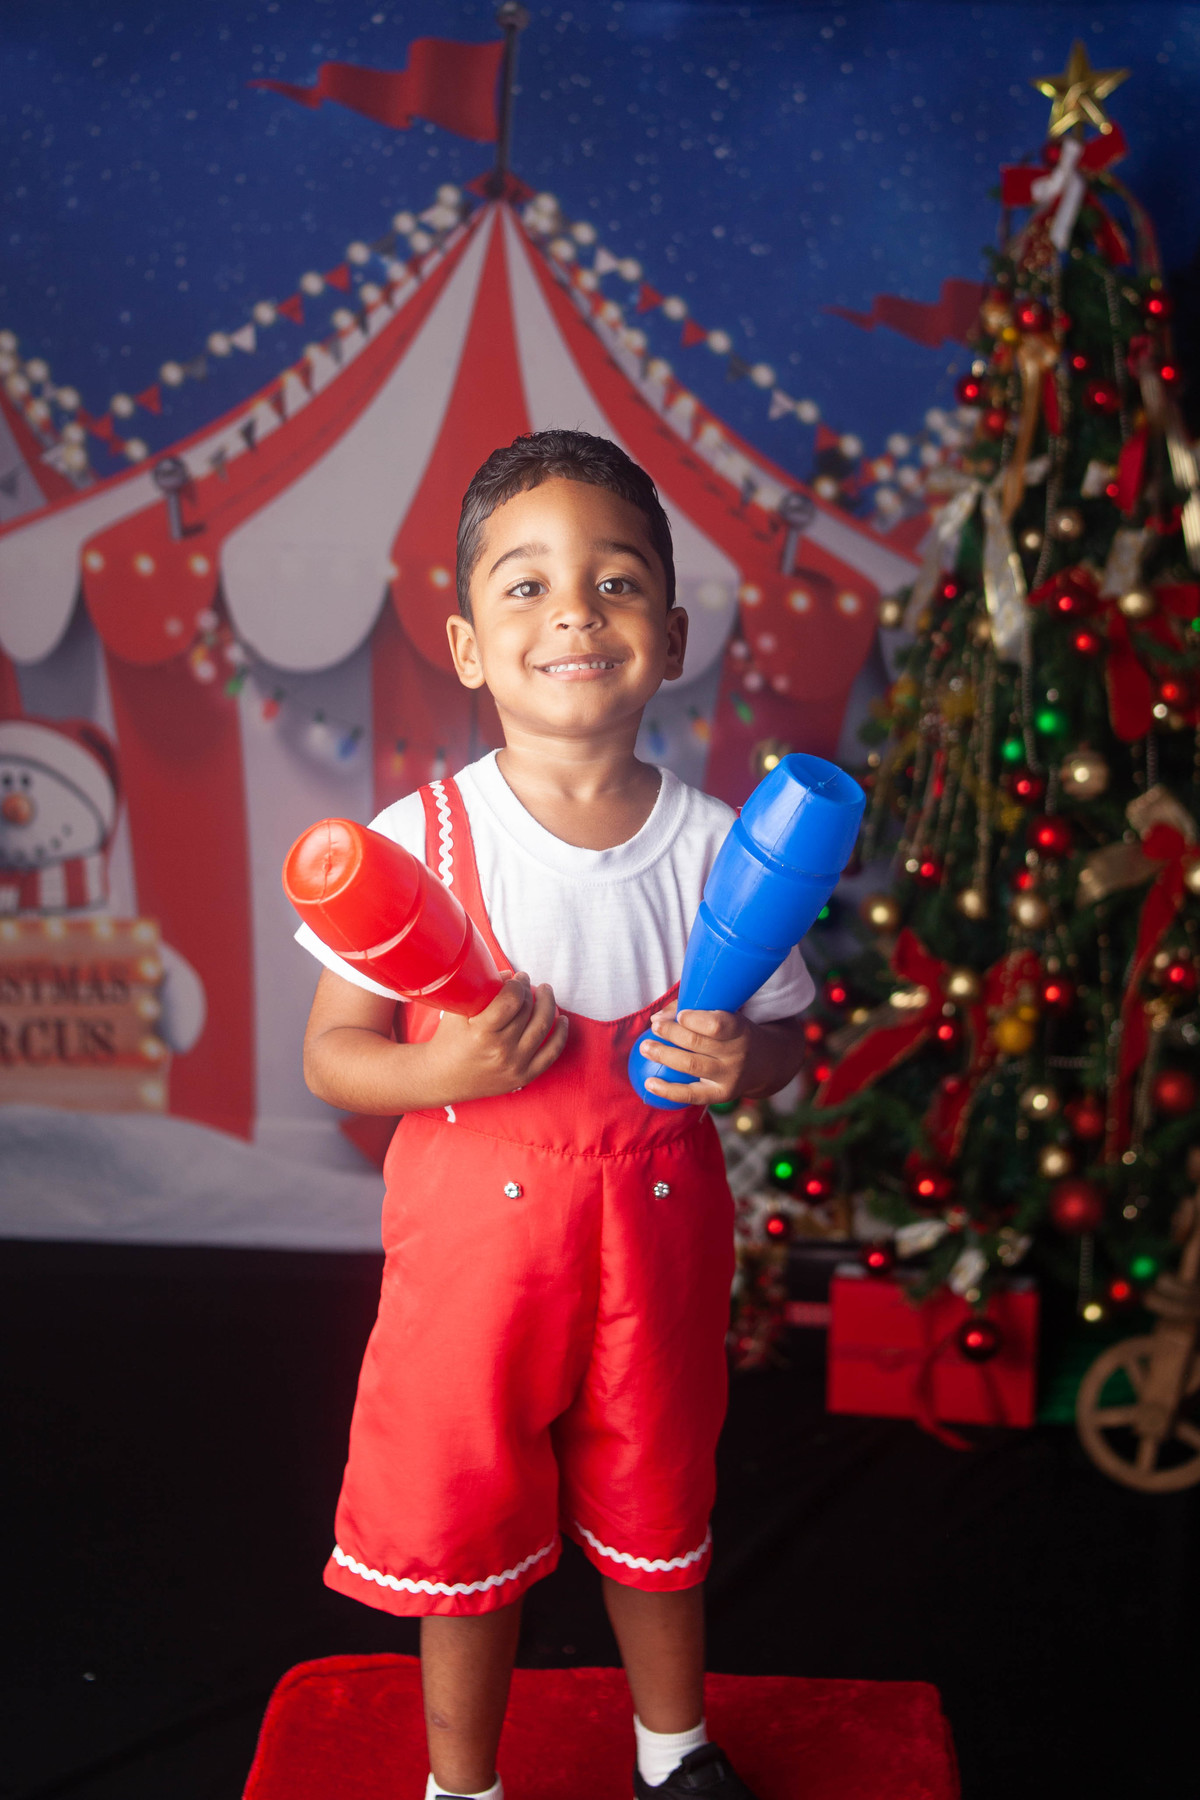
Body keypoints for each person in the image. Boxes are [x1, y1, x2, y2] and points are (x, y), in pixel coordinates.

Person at [299, 430, 813, 1800]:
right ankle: (460, 1785)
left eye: (618, 580)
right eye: (525, 587)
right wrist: (443, 1072)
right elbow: (336, 1058)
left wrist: (738, 1064)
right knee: (463, 1513)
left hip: (658, 1232)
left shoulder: (721, 846)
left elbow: (786, 1037)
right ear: (467, 646)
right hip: (478, 1248)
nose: (576, 611)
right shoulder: (421, 843)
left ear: (675, 631)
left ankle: (674, 1749)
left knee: (659, 1488)